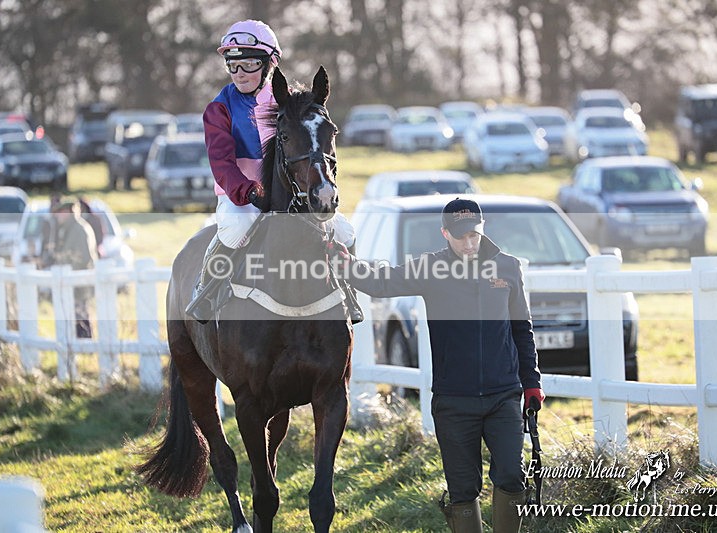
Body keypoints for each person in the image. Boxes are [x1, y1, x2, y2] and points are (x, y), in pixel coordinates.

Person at [329, 198, 545, 532]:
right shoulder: (430, 268)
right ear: (445, 233)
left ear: (483, 228)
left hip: (503, 396)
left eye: (474, 235)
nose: (469, 243)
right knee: (462, 489)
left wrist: (532, 383)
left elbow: (522, 329)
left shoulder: (508, 267)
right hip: (453, 401)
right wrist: (346, 264)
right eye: (461, 237)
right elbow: (383, 281)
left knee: (512, 477)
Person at [185, 19, 361, 323]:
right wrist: (249, 191)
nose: (240, 73)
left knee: (345, 231)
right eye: (232, 65)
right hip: (242, 195)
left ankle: (348, 290)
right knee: (236, 227)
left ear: (271, 63)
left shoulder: (290, 101)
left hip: (292, 192)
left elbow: (314, 144)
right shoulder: (219, 108)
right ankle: (207, 289)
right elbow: (221, 163)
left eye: (250, 64)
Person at [51, 200, 98, 338]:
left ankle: (85, 346)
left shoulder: (79, 229)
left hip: (79, 283)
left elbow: (83, 258)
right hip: (74, 282)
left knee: (81, 319)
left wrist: (70, 275)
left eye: (60, 213)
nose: (57, 216)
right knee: (75, 318)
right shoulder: (70, 229)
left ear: (67, 212)